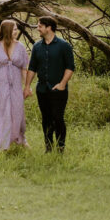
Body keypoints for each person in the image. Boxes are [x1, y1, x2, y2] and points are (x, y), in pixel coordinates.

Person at [24, 16, 75, 152]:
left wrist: (62, 84)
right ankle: (48, 146)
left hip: (59, 89)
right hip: (42, 90)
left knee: (58, 118)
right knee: (46, 119)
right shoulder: (37, 46)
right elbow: (32, 68)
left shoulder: (64, 45)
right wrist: (27, 86)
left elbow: (70, 67)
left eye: (40, 26)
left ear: (49, 28)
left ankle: (60, 147)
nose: (37, 28)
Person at [0, 18, 29, 150]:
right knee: (2, 114)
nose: (17, 31)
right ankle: (4, 145)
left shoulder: (20, 47)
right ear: (8, 30)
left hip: (16, 85)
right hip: (0, 86)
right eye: (15, 29)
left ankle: (20, 139)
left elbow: (24, 68)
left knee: (18, 113)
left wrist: (27, 86)